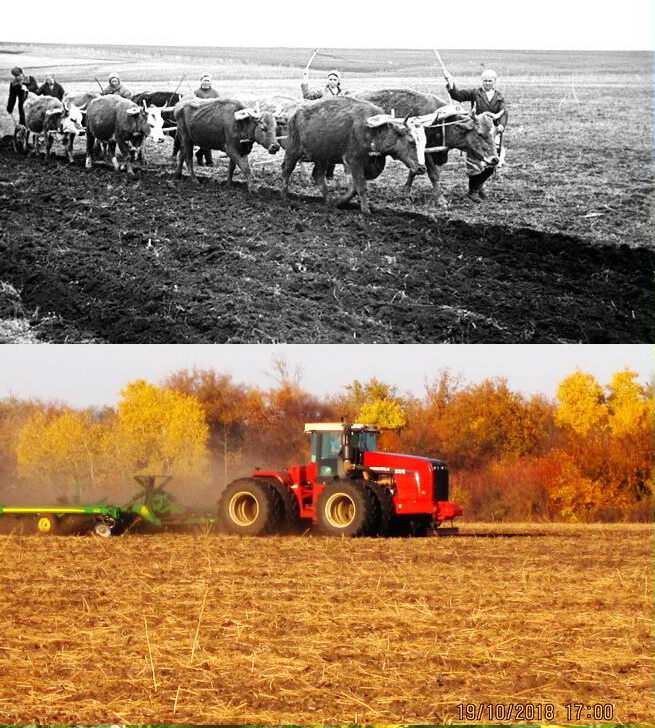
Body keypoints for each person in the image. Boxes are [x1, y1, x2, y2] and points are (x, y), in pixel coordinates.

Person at [443, 68, 508, 202]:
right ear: (482, 81)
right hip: (476, 133)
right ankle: (473, 192)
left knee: (493, 162)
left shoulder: (499, 97)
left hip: (491, 133)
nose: (487, 83)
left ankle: (478, 187)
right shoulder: (475, 93)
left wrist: (501, 125)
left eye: (490, 81)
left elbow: (503, 113)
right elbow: (458, 95)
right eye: (485, 81)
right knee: (474, 164)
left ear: (495, 82)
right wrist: (450, 83)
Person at [193, 74, 219, 166]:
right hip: (199, 118)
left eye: (208, 80)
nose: (206, 82)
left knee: (210, 139)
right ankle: (209, 161)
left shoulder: (215, 93)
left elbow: (218, 105)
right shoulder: (196, 92)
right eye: (205, 80)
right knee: (205, 138)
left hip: (212, 118)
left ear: (210, 82)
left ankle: (200, 154)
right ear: (201, 81)